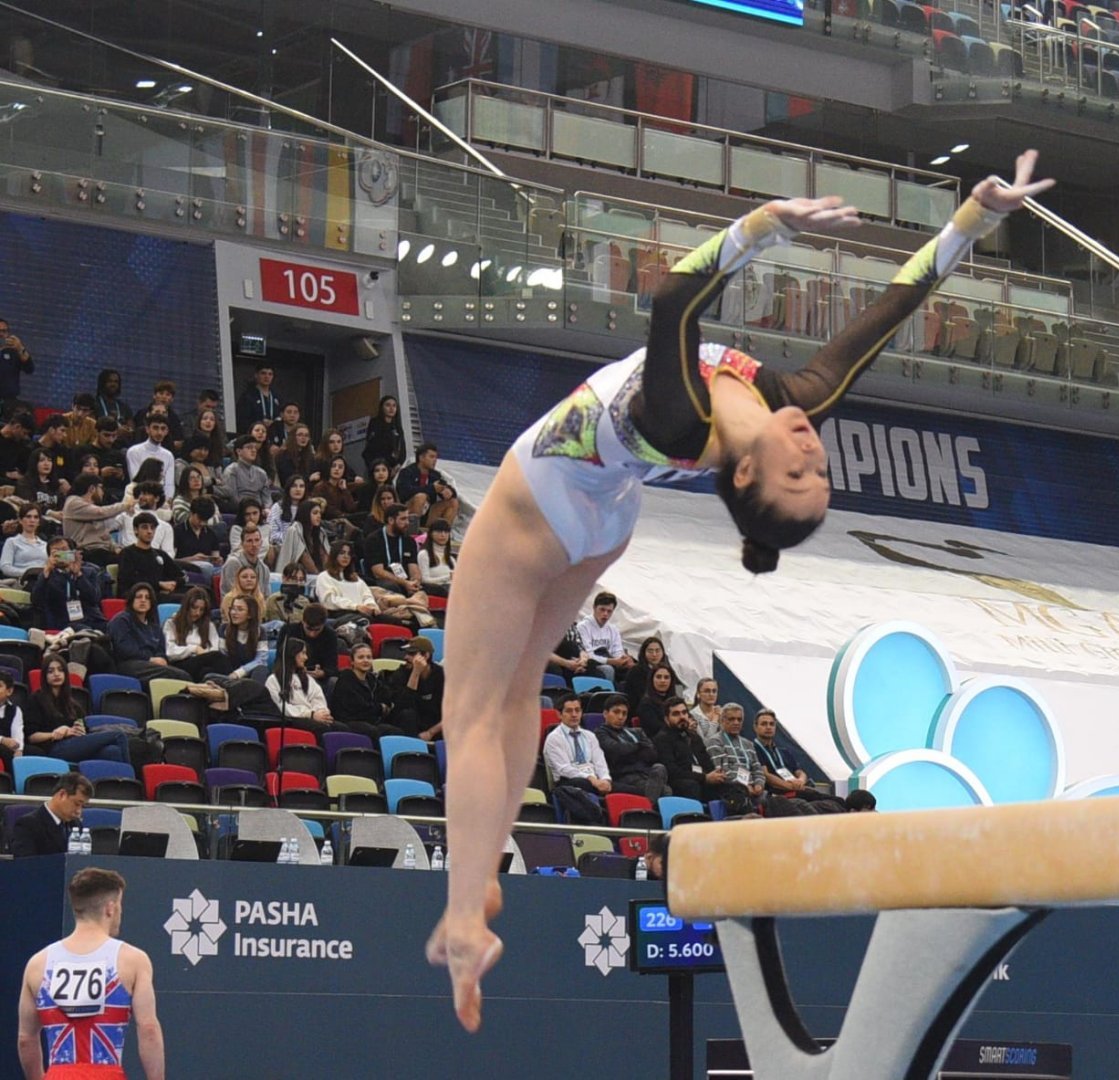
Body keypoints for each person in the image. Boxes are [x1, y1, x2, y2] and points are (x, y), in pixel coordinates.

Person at [428, 155, 1054, 1028]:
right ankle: (486, 873)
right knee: (521, 691)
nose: (813, 448)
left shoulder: (683, 411)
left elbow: (672, 303)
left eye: (800, 470)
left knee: (471, 706)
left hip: (541, 501)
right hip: (602, 521)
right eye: (822, 466)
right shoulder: (791, 398)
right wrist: (971, 224)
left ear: (749, 470)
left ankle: (462, 915)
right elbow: (886, 319)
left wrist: (761, 228)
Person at [17, 866, 165, 1079]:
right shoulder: (132, 960)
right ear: (110, 908)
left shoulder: (38, 964)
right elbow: (148, 1029)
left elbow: (26, 1039)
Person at [25, 660, 131, 764]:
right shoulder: (36, 699)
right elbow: (31, 737)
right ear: (44, 676)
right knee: (119, 735)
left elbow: (83, 728)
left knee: (112, 751)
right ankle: (131, 776)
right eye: (51, 671)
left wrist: (80, 730)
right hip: (54, 748)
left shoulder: (73, 704)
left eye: (60, 670)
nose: (56, 674)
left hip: (76, 746)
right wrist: (55, 733)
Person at [107, 582, 195, 684]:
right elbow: (125, 649)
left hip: (151, 665)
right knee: (180, 676)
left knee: (184, 674)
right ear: (131, 600)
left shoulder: (153, 624)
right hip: (128, 665)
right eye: (139, 597)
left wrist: (161, 658)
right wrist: (150, 659)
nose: (143, 600)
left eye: (147, 597)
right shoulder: (121, 620)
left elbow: (161, 648)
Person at [594, 692, 668, 802]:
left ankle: (648, 809)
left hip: (644, 774)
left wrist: (631, 751)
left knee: (660, 770)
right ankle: (649, 809)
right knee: (664, 789)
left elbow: (652, 754)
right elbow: (616, 750)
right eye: (616, 712)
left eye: (624, 713)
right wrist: (639, 746)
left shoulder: (636, 732)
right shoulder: (600, 733)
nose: (620, 717)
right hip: (623, 775)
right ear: (605, 713)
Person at [329, 642, 409, 742]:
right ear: (352, 661)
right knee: (373, 731)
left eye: (368, 657)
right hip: (349, 721)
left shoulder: (372, 679)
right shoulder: (346, 678)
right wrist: (380, 708)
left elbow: (386, 697)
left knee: (397, 731)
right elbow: (358, 707)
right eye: (361, 657)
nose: (365, 660)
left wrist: (386, 705)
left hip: (371, 720)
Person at [651, 698, 724, 801]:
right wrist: (704, 778)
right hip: (680, 782)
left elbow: (707, 762)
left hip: (702, 779)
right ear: (666, 719)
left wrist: (715, 775)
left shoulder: (694, 737)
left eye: (684, 712)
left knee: (730, 786)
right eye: (676, 714)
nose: (682, 717)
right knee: (692, 786)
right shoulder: (662, 739)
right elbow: (672, 771)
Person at [541, 693, 612, 795]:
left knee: (626, 788)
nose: (574, 715)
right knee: (582, 783)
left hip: (594, 780)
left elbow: (600, 762)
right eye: (569, 711)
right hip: (569, 781)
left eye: (577, 710)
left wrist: (606, 779)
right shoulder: (554, 738)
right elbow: (564, 769)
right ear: (559, 714)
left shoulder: (590, 736)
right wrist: (592, 779)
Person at [266, 636, 335, 738]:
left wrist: (321, 713)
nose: (306, 657)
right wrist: (311, 714)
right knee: (322, 729)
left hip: (313, 717)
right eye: (303, 653)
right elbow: (281, 707)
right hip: (291, 719)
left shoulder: (308, 679)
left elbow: (318, 699)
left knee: (342, 728)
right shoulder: (273, 680)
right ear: (292, 654)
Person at [9, 772, 91, 858]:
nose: (79, 812)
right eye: (77, 804)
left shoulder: (76, 824)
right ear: (62, 794)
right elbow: (25, 865)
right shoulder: (28, 825)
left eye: (83, 806)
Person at [162, 587, 234, 680]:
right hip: (181, 663)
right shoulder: (171, 623)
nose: (197, 613)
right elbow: (170, 652)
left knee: (206, 672)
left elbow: (214, 648)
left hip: (203, 662)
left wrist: (203, 654)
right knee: (218, 657)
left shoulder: (208, 625)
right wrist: (194, 649)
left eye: (202, 609)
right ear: (186, 606)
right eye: (194, 608)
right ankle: (233, 682)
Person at [61, 477, 132, 565]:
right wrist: (126, 505)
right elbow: (100, 512)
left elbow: (104, 536)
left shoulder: (91, 509)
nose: (103, 492)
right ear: (92, 489)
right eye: (100, 488)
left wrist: (116, 548)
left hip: (101, 550)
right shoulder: (73, 502)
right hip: (85, 551)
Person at [116, 514, 187, 596]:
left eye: (152, 528)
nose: (149, 531)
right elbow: (128, 581)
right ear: (136, 530)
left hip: (160, 594)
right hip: (138, 596)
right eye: (145, 527)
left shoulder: (160, 554)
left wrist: (174, 583)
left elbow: (180, 575)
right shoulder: (127, 553)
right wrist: (159, 584)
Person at [389, 635, 445, 740]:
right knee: (408, 714)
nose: (406, 657)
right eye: (406, 653)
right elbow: (403, 705)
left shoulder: (441, 675)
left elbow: (452, 712)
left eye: (411, 654)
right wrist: (416, 673)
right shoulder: (401, 673)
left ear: (426, 655)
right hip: (409, 724)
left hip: (434, 727)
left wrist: (430, 733)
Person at [396, 443, 459, 526]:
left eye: (436, 457)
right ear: (421, 457)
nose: (435, 460)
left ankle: (442, 532)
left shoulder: (435, 475)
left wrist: (450, 492)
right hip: (407, 510)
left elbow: (445, 487)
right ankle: (412, 532)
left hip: (429, 512)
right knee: (421, 497)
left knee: (453, 502)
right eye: (432, 457)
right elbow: (404, 493)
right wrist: (431, 488)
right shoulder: (407, 472)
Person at [575, 591, 633, 682]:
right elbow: (588, 655)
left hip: (610, 661)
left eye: (609, 611)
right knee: (608, 669)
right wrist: (611, 661)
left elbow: (617, 651)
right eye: (602, 609)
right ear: (594, 608)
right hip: (590, 664)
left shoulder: (613, 629)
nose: (605, 614)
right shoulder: (583, 627)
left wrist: (623, 659)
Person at [124, 415, 175, 500]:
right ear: (147, 429)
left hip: (161, 501)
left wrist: (166, 501)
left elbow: (169, 485)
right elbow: (136, 479)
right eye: (155, 428)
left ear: (167, 431)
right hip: (138, 498)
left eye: (163, 429)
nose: (159, 432)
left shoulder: (168, 455)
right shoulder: (134, 451)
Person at [622, 636, 680, 711]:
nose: (654, 654)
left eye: (657, 651)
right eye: (650, 651)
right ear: (644, 653)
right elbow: (639, 697)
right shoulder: (636, 671)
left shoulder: (668, 670)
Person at [214, 438, 272, 513]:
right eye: (249, 448)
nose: (254, 450)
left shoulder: (261, 472)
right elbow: (233, 497)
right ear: (239, 451)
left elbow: (267, 497)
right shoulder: (232, 470)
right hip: (241, 509)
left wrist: (267, 508)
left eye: (255, 448)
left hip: (260, 509)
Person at [1, 504, 49, 584]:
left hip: (45, 581)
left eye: (36, 517)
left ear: (39, 521)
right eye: (28, 516)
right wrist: (29, 573)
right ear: (20, 520)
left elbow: (58, 557)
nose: (32, 520)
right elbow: (5, 567)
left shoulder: (45, 544)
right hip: (23, 581)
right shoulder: (12, 542)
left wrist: (72, 556)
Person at [633, 663, 680, 740]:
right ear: (652, 680)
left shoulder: (677, 701)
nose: (662, 680)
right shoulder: (646, 704)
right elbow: (656, 729)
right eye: (658, 677)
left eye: (666, 677)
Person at [219, 524, 269, 597]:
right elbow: (233, 594)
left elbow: (266, 596)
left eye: (257, 540)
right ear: (242, 544)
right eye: (249, 541)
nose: (254, 544)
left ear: (261, 543)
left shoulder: (264, 569)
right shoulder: (233, 563)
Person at [0, 315, 35, 414]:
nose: (1, 334)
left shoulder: (14, 352)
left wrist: (20, 348)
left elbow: (30, 369)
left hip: (9, 402)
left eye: (4, 331)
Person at [363, 395, 407, 470]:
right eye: (388, 405)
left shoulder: (398, 427)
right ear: (382, 407)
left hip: (395, 468)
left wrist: (398, 465)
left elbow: (402, 449)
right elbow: (370, 448)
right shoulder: (375, 423)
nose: (391, 408)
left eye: (394, 406)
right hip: (376, 467)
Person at [418, 519, 454, 596]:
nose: (443, 535)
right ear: (431, 534)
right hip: (435, 589)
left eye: (446, 532)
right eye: (439, 531)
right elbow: (425, 580)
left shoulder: (451, 558)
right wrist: (448, 577)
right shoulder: (424, 554)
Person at [237, 362, 280, 429]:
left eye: (270, 374)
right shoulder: (248, 396)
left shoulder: (276, 397)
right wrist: (260, 423)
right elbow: (242, 420)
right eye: (263, 373)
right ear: (256, 375)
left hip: (273, 435)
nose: (267, 376)